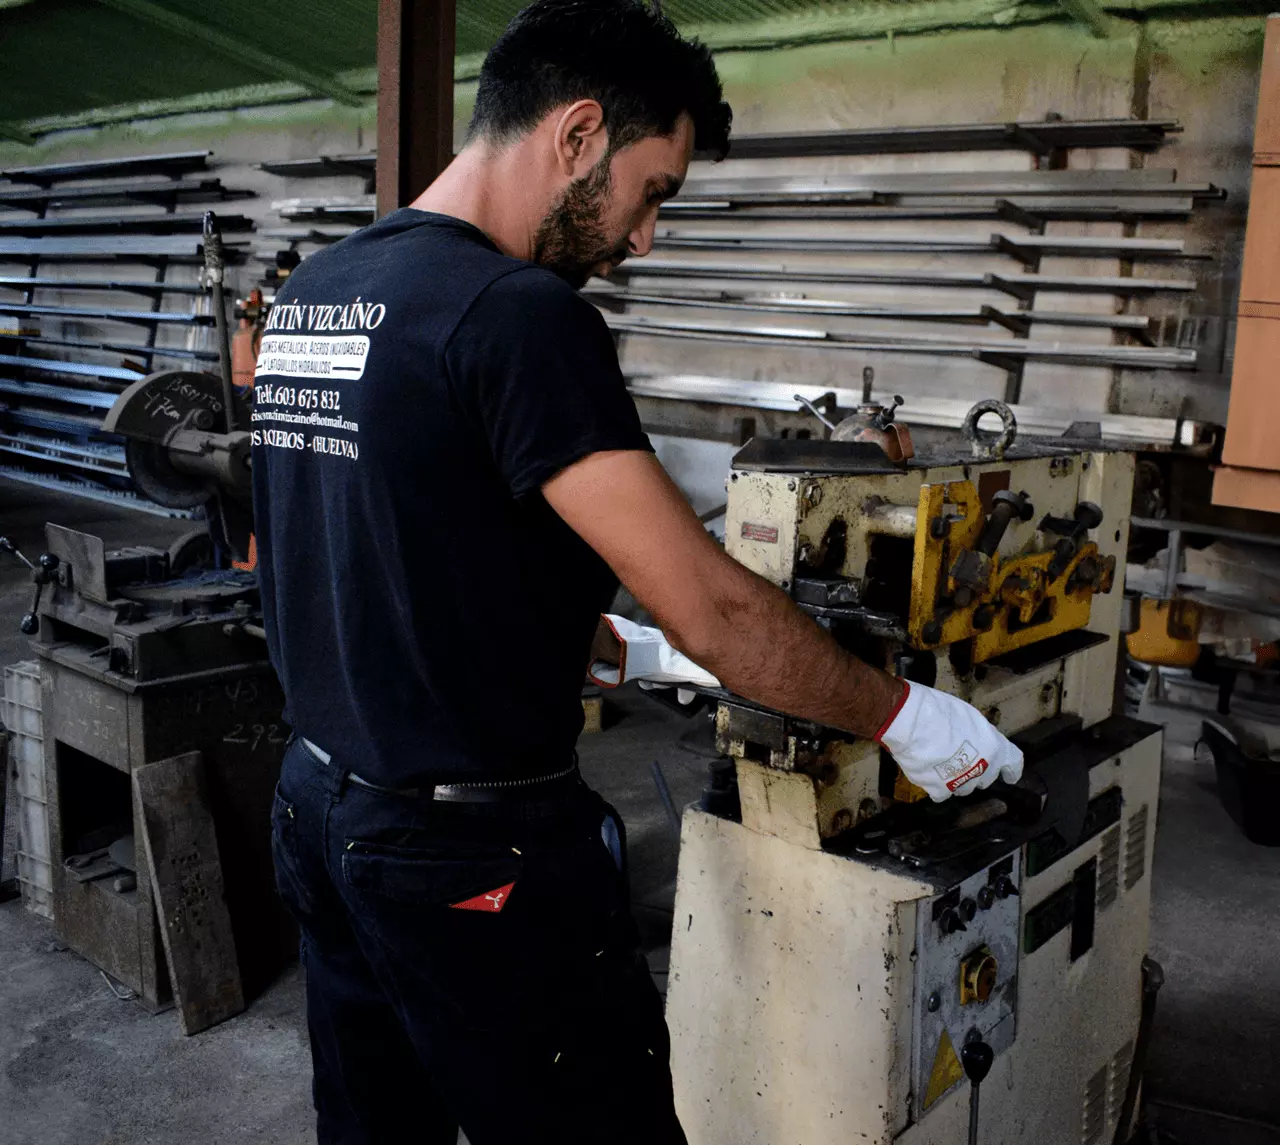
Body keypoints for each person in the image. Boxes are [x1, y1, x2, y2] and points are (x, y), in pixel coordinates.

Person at [251, 2, 1023, 1142]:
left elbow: (364, 536)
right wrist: (904, 715)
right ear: (574, 135)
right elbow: (710, 608)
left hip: (317, 810)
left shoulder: (319, 291)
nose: (644, 235)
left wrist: (572, 630)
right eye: (652, 189)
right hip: (470, 850)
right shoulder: (519, 317)